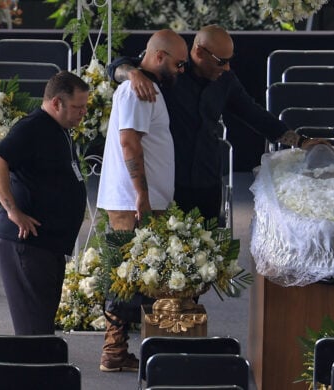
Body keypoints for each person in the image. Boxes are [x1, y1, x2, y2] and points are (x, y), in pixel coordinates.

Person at [108, 24, 315, 221]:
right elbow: (117, 67)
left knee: (208, 248)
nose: (226, 67)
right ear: (199, 52)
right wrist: (132, 74)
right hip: (169, 182)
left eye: (229, 60)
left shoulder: (226, 80)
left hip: (208, 178)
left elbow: (254, 115)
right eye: (220, 61)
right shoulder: (173, 69)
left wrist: (301, 141)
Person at [96, 29, 188, 372]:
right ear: (159, 57)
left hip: (133, 199)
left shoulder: (144, 87)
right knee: (125, 274)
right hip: (133, 202)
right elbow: (129, 143)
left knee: (131, 273)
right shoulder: (139, 91)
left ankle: (119, 351)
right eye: (178, 63)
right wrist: (143, 196)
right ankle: (114, 352)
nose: (181, 70)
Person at [0, 71, 89, 335]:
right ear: (56, 103)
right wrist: (12, 211)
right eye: (78, 107)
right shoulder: (32, 127)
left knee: (42, 327)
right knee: (34, 332)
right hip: (27, 242)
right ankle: (33, 375)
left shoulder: (60, 129)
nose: (83, 113)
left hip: (47, 244)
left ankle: (41, 372)